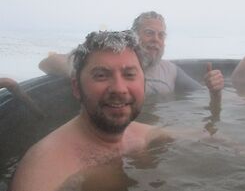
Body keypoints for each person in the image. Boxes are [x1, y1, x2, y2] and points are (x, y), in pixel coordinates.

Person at [10, 30, 169, 191]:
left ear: (144, 83)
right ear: (76, 88)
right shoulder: (44, 169)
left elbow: (193, 137)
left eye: (129, 74)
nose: (119, 89)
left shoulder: (144, 135)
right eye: (101, 75)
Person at [38, 11, 224, 98]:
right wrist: (81, 70)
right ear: (134, 36)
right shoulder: (112, 60)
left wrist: (215, 89)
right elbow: (47, 63)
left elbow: (201, 95)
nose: (156, 39)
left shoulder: (170, 71)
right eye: (149, 33)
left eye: (161, 35)